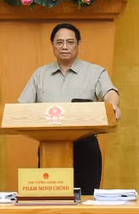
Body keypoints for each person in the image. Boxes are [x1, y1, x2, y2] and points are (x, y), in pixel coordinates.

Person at [18, 23, 120, 195]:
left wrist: (113, 104)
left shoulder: (95, 71)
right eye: (59, 42)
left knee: (86, 200)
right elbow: (22, 107)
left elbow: (110, 92)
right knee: (50, 200)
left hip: (86, 146)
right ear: (52, 45)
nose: (64, 46)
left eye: (70, 42)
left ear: (78, 44)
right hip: (49, 146)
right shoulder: (40, 74)